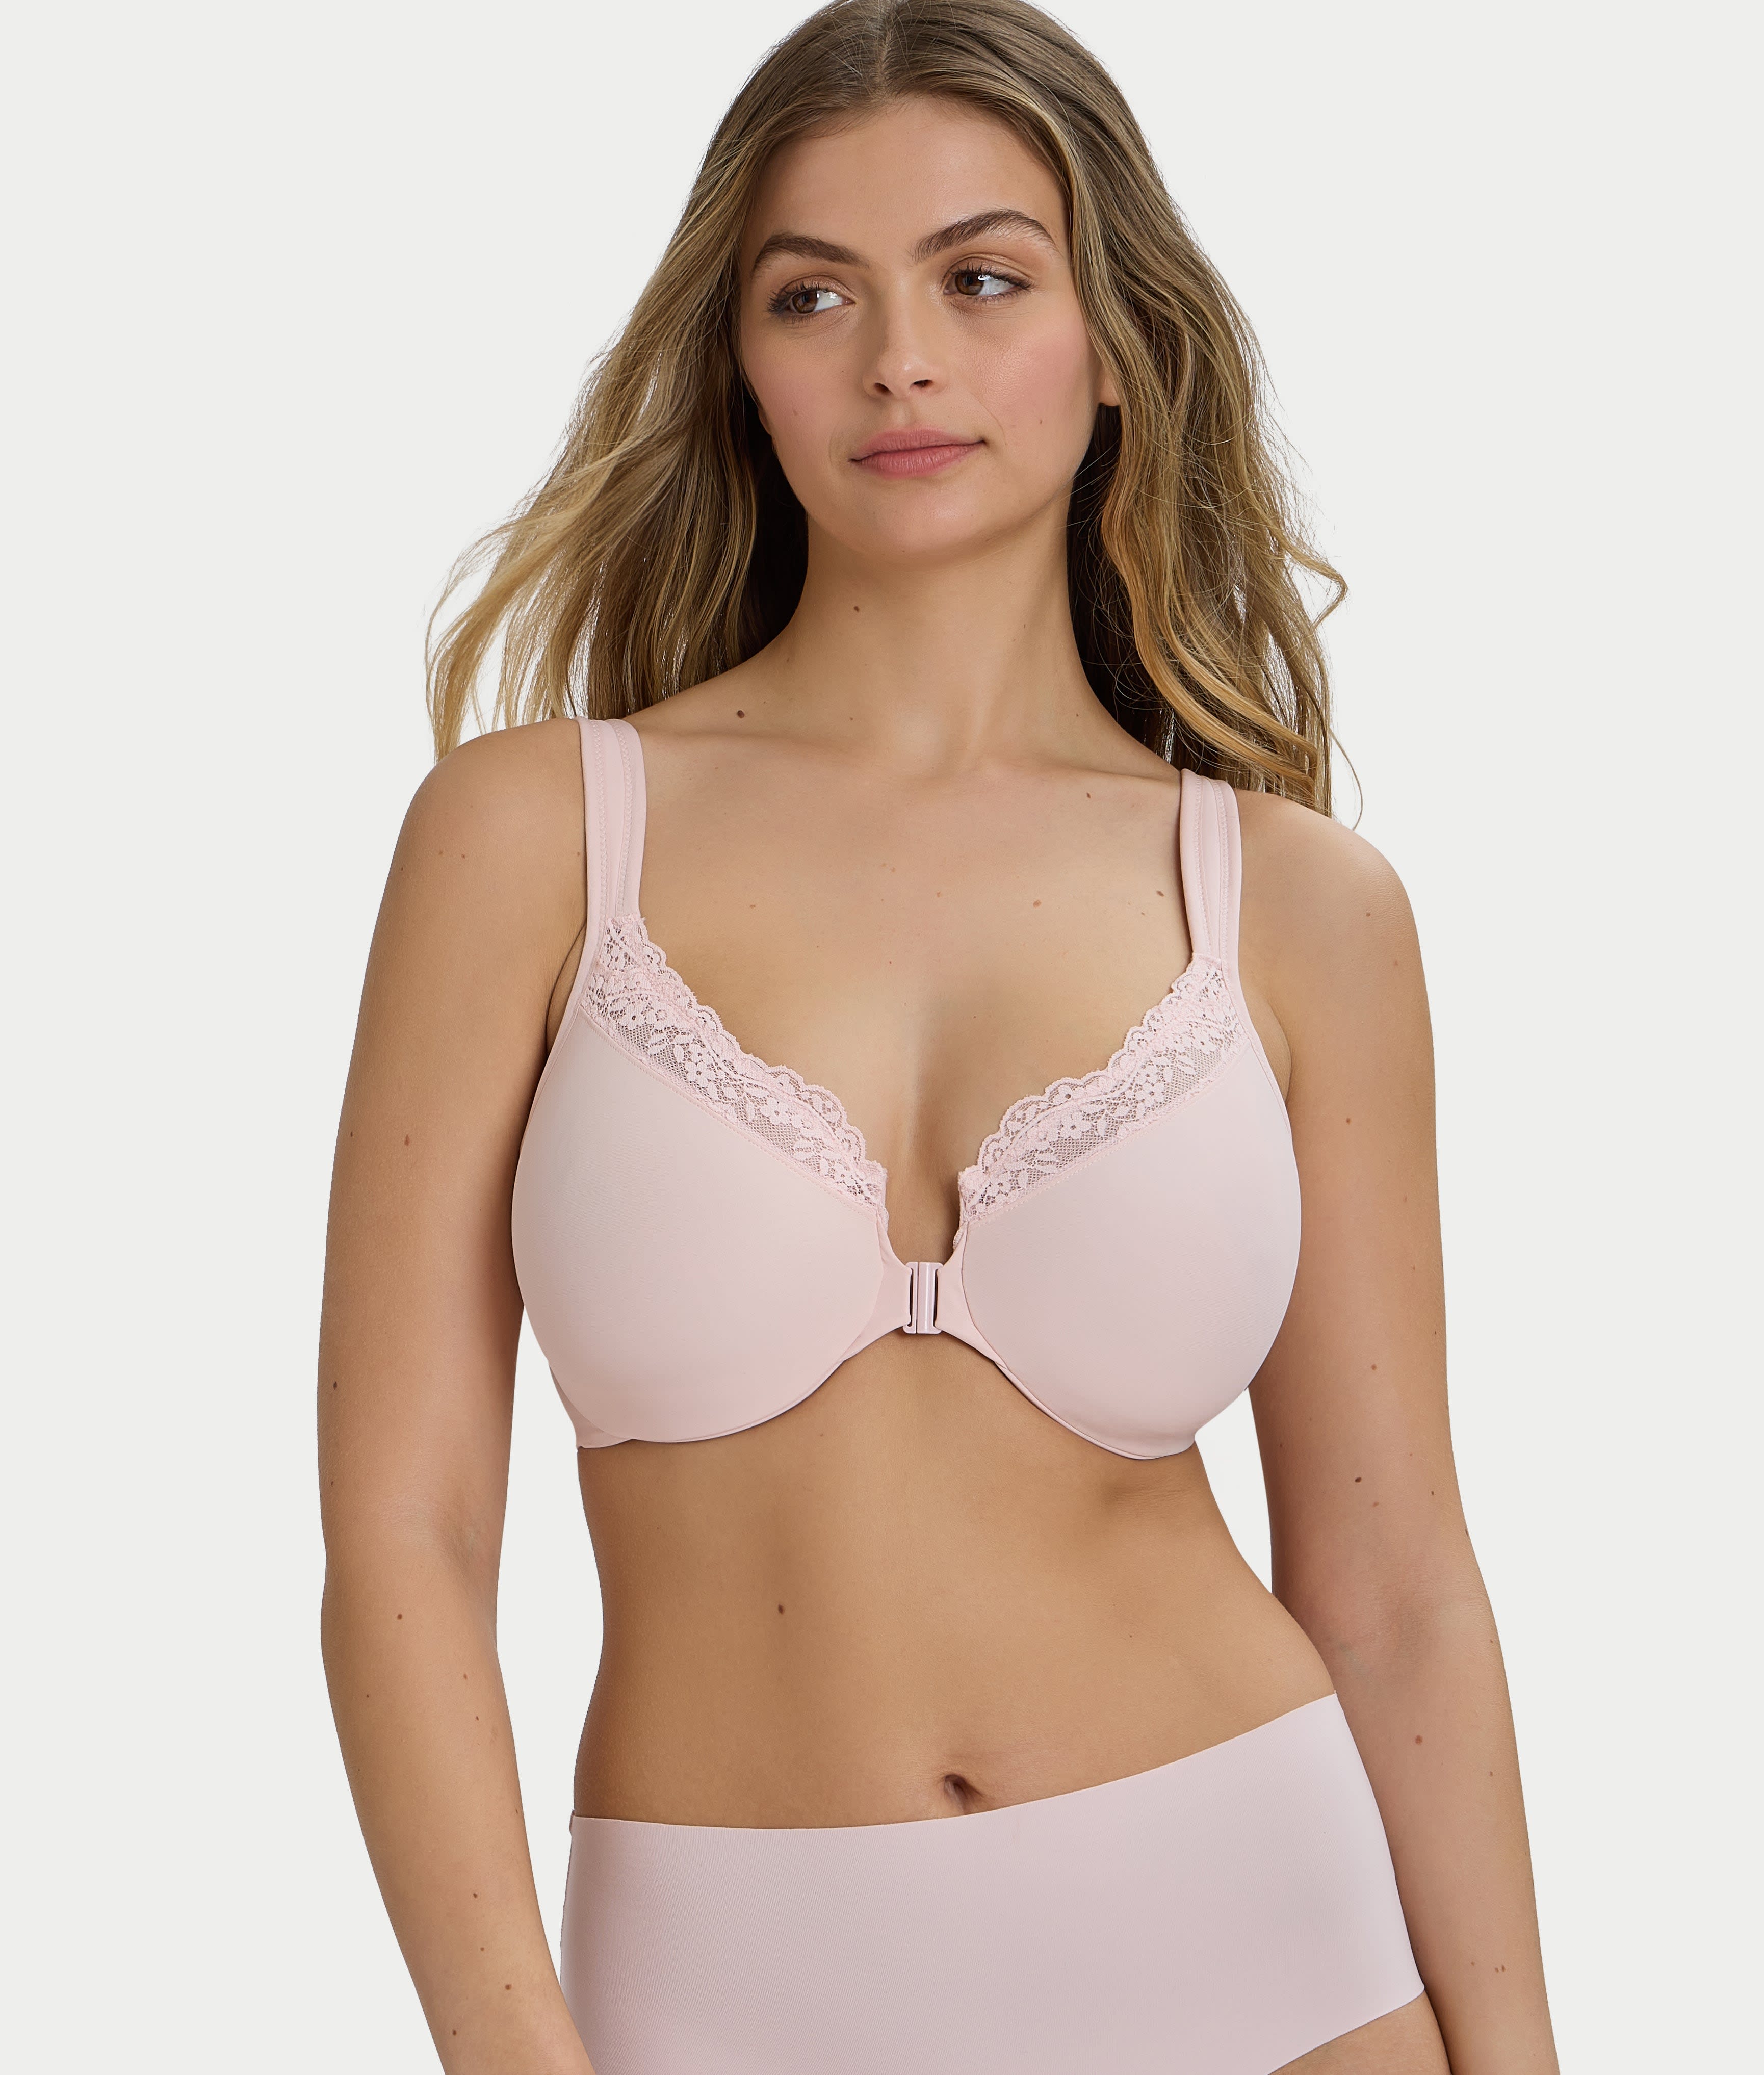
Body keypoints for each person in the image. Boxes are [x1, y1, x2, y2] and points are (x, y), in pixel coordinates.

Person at [318, 4, 1559, 2069]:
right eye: (815, 295)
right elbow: (404, 1539)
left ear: (1115, 339)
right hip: (725, 1991)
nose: (901, 359)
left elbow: (1395, 1579)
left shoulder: (1295, 905)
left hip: (1269, 1956)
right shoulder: (535, 839)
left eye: (983, 279)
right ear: (740, 363)